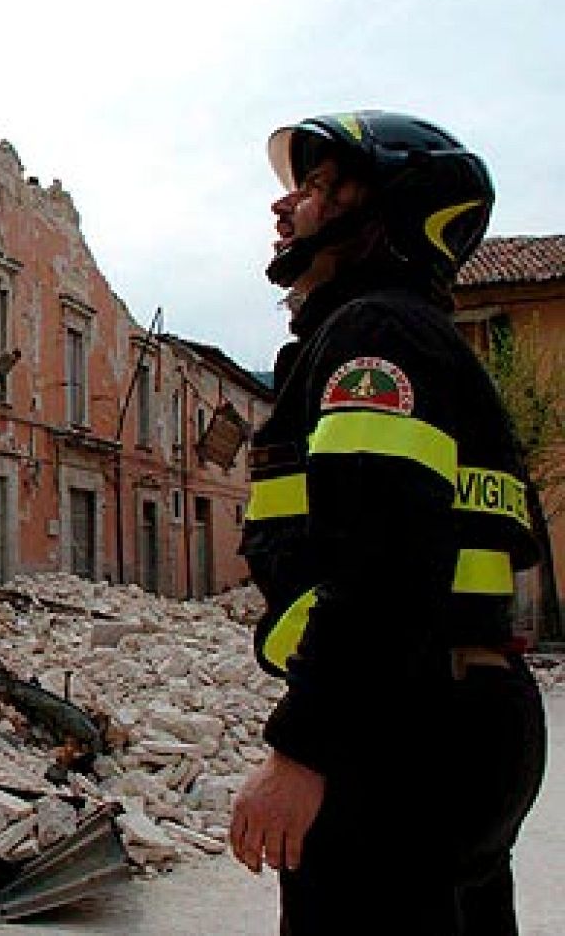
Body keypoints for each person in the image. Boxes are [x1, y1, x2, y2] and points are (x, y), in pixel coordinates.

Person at [229, 110, 547, 934]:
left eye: (323, 188)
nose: (287, 206)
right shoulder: (415, 339)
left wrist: (305, 746)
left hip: (401, 732)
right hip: (464, 717)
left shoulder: (374, 338)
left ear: (386, 218)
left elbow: (384, 561)